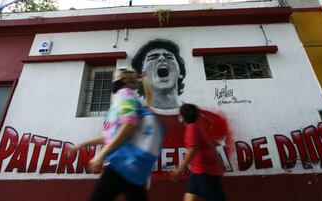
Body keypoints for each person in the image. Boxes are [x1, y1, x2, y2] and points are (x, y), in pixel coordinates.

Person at [71, 67, 164, 201]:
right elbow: (110, 135)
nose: (113, 81)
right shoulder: (125, 99)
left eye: (115, 78)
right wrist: (81, 145)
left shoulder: (124, 95)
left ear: (124, 79)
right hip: (132, 166)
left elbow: (128, 126)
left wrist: (101, 155)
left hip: (121, 162)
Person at [170, 103, 226, 201]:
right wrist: (219, 162)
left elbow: (192, 149)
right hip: (199, 171)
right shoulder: (196, 127)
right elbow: (210, 146)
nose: (179, 117)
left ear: (183, 116)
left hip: (206, 171)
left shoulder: (192, 128)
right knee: (189, 197)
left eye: (180, 114)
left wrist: (180, 169)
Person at [132, 39, 186, 114]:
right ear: (140, 76)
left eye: (169, 57)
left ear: (180, 73)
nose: (162, 58)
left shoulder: (200, 117)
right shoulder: (132, 118)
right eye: (153, 57)